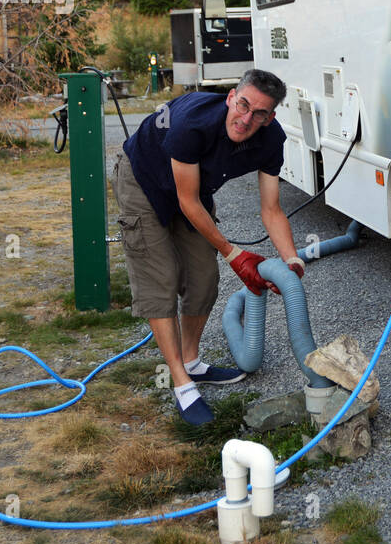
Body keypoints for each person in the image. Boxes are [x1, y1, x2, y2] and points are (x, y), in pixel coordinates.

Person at [110, 68, 304, 425]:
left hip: (192, 193)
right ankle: (181, 384)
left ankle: (191, 362)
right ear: (231, 96)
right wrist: (234, 254)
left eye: (259, 113)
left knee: (203, 278)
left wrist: (291, 259)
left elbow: (271, 209)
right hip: (143, 182)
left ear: (270, 117)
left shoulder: (271, 139)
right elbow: (187, 202)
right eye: (243, 105)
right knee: (162, 279)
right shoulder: (192, 123)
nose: (246, 119)